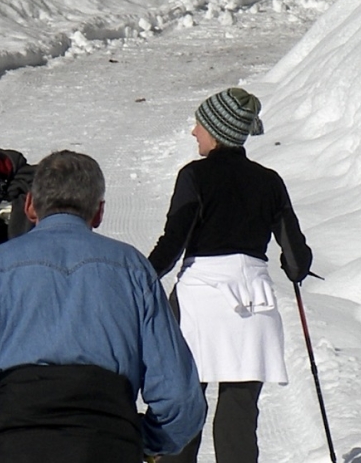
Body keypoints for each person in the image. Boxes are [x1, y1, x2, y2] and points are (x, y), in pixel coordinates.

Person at [0, 150, 207, 463]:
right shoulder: (133, 270)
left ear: (29, 205)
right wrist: (143, 441)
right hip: (106, 441)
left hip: (12, 443)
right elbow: (180, 398)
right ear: (98, 212)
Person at [146, 87, 313, 463]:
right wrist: (293, 266)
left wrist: (141, 276)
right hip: (254, 303)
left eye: (199, 125)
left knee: (184, 407)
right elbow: (297, 259)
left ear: (217, 130)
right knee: (238, 416)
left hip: (199, 304)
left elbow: (175, 241)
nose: (193, 132)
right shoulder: (269, 180)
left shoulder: (195, 175)